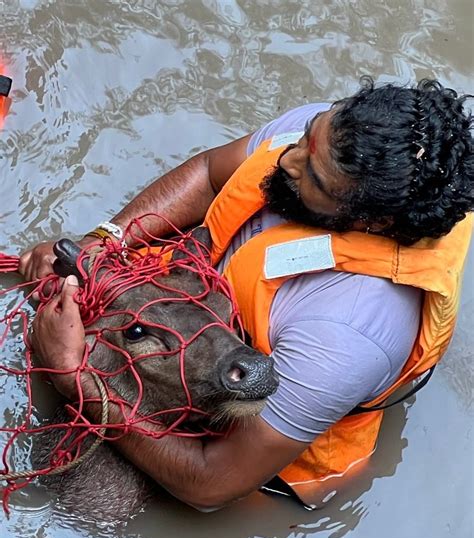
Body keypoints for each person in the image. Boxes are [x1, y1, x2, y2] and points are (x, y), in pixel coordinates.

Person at [24, 79, 473, 511]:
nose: (288, 160)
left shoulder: (348, 332)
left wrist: (74, 376)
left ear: (372, 223)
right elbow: (209, 174)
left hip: (246, 427)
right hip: (194, 313)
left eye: (313, 177)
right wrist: (100, 245)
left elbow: (209, 484)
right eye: (306, 137)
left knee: (97, 494)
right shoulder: (334, 139)